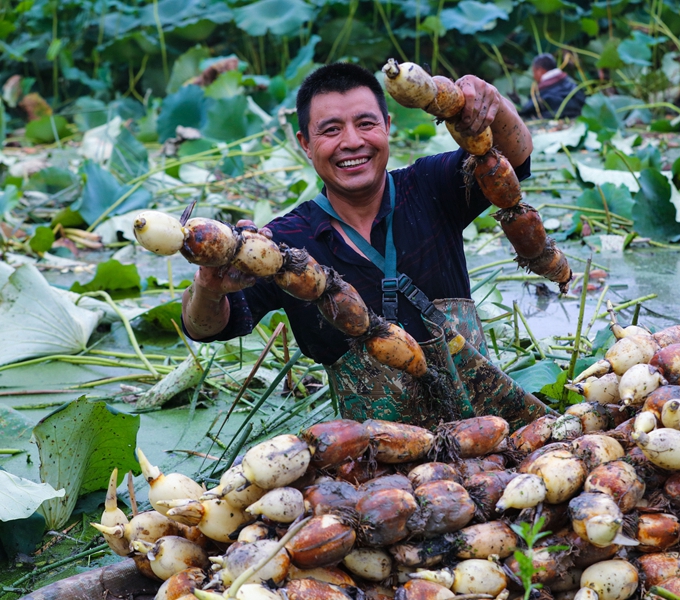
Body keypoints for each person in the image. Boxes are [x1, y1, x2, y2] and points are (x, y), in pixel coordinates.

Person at [181, 62, 550, 428]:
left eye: (366, 123)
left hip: (493, 431)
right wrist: (209, 287)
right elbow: (205, 328)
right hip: (382, 460)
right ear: (305, 145)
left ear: (388, 127)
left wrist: (493, 104)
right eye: (331, 130)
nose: (352, 142)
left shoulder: (431, 187)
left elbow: (514, 158)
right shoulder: (283, 244)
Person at [518, 53, 586, 119]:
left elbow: (526, 111)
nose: (533, 76)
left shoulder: (542, 93)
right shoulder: (571, 83)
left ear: (540, 70)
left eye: (534, 71)